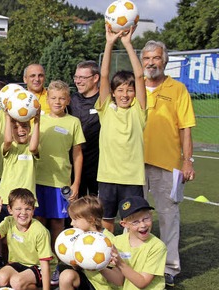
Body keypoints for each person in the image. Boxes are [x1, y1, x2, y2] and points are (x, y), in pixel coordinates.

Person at [141, 39, 196, 287]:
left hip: (168, 164)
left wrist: (188, 161)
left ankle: (170, 267)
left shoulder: (178, 89)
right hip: (135, 164)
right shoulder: (134, 86)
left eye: (156, 58)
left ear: (165, 61)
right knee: (135, 216)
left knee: (168, 216)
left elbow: (185, 128)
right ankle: (141, 264)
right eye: (147, 58)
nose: (151, 63)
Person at [97, 26, 147, 234]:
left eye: (129, 89)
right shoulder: (106, 109)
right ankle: (106, 261)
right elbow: (104, 75)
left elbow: (140, 76)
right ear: (113, 93)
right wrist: (109, 44)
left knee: (134, 222)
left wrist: (127, 44)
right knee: (106, 222)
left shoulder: (138, 111)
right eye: (120, 90)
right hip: (108, 177)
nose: (125, 94)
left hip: (132, 179)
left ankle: (132, 259)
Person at [35, 80, 85, 243]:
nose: (57, 102)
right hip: (38, 179)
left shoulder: (73, 122)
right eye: (54, 98)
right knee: (39, 221)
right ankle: (40, 261)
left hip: (61, 182)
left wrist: (76, 183)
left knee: (58, 222)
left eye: (62, 98)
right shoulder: (38, 121)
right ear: (47, 99)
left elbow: (77, 154)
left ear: (68, 100)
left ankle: (57, 261)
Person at [0, 190, 53, 290]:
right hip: (18, 264)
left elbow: (45, 265)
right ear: (10, 209)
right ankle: (28, 286)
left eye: (28, 209)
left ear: (33, 210)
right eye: (18, 209)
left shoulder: (40, 231)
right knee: (0, 278)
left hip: (38, 266)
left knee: (16, 282)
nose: (23, 213)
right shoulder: (8, 222)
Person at [100, 196, 167, 290]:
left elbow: (142, 283)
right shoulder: (118, 241)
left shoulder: (157, 247)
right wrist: (99, 267)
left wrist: (120, 263)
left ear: (151, 216)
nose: (143, 225)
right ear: (124, 224)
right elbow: (119, 280)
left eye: (146, 219)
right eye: (135, 222)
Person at [58, 196, 115, 290]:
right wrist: (74, 262)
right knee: (66, 276)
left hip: (105, 286)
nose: (71, 223)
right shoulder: (79, 237)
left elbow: (117, 274)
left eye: (75, 219)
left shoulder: (109, 240)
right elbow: (78, 269)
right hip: (89, 281)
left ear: (91, 219)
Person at [0, 110, 40, 214]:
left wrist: (37, 121)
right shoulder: (8, 147)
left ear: (29, 129)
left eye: (25, 126)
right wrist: (7, 117)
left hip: (27, 201)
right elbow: (8, 140)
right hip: (5, 199)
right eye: (15, 127)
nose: (21, 130)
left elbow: (33, 148)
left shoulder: (33, 147)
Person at [68, 60, 101, 197]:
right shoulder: (71, 99)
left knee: (98, 207)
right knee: (76, 207)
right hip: (74, 163)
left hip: (98, 164)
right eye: (76, 77)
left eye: (82, 77)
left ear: (95, 78)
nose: (78, 81)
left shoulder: (105, 100)